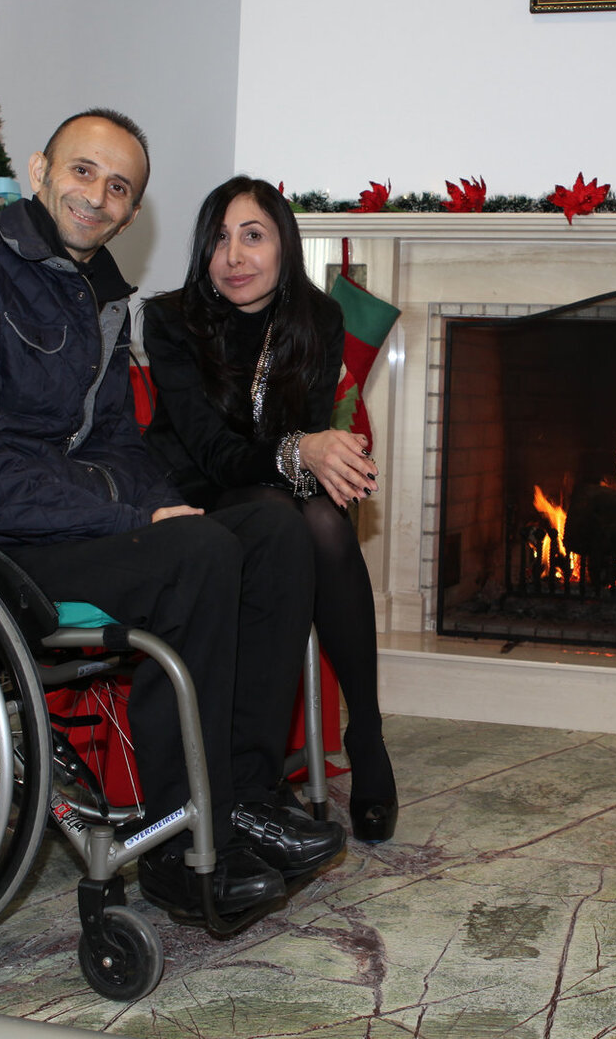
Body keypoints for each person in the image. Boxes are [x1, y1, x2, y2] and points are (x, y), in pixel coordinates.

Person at [0, 110, 345, 924]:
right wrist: (125, 514)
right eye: (83, 171)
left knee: (272, 531)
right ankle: (179, 848)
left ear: (132, 213)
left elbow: (121, 444)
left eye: (119, 187)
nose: (97, 196)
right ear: (40, 170)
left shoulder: (102, 293)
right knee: (195, 553)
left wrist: (157, 501)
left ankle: (241, 797)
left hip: (64, 532)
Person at [141, 176, 398, 843]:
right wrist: (302, 451)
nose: (233, 257)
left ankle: (366, 733)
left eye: (252, 236)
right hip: (192, 498)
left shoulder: (319, 320)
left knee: (321, 522)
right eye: (219, 240)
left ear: (284, 244)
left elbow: (301, 446)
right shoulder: (170, 321)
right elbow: (212, 454)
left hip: (276, 497)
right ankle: (266, 772)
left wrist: (321, 454)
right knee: (285, 513)